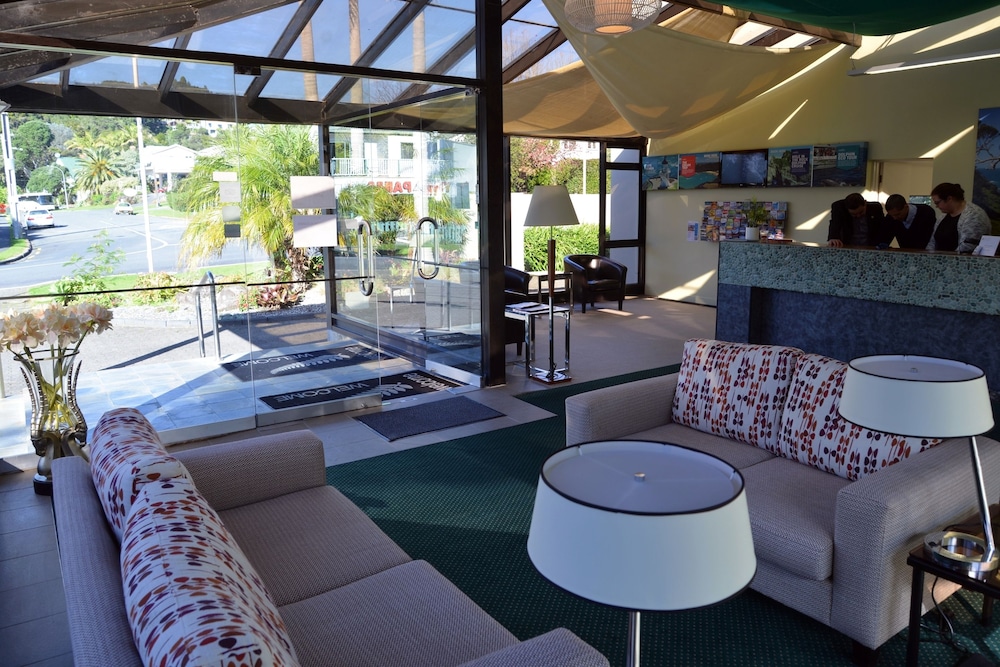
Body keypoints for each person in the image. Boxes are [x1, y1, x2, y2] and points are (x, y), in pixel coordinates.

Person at [926, 182, 991, 253]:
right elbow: (932, 242)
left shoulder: (974, 215)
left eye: (937, 203)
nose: (936, 206)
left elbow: (967, 247)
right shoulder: (943, 216)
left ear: (949, 199)